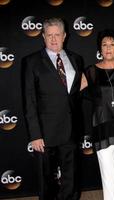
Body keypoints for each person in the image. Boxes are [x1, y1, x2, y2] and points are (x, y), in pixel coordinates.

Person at [23, 18, 84, 200]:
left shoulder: (76, 59)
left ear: (64, 36)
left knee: (71, 180)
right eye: (49, 35)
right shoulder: (31, 61)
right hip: (45, 132)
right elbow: (29, 99)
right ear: (43, 36)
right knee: (46, 181)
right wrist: (35, 134)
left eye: (57, 34)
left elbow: (76, 93)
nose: (53, 39)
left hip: (71, 129)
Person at [81, 29, 114, 200]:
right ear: (100, 49)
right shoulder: (90, 71)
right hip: (102, 127)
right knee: (108, 174)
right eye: (104, 45)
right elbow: (72, 94)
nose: (108, 48)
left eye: (112, 45)